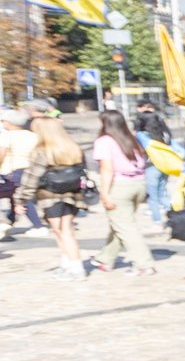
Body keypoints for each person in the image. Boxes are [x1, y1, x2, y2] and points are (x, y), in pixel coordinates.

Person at [20, 115, 91, 279]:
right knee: (66, 230)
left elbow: (30, 178)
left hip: (49, 195)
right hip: (72, 194)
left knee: (62, 232)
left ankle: (75, 267)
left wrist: (21, 198)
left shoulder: (41, 151)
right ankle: (67, 263)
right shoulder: (73, 148)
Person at [93, 110, 157, 274]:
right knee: (120, 224)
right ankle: (105, 258)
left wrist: (105, 193)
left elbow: (107, 169)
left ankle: (144, 264)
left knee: (125, 227)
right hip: (138, 184)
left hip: (120, 186)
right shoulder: (131, 138)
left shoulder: (104, 141)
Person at [0, 105, 42, 237]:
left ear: (9, 123)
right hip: (30, 169)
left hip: (11, 171)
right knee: (18, 196)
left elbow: (2, 153)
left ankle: (37, 225)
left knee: (21, 198)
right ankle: (10, 220)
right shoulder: (32, 135)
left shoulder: (7, 136)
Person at [134, 97, 173, 229]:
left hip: (151, 165)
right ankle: (172, 213)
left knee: (153, 195)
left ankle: (156, 218)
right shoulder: (163, 135)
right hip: (165, 163)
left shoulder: (143, 138)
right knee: (163, 191)